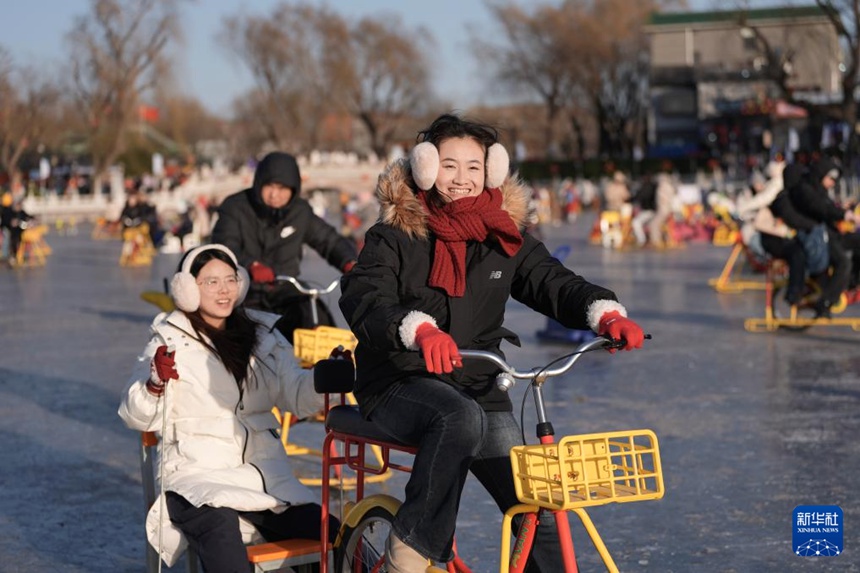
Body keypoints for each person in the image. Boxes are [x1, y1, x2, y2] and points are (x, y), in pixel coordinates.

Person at [338, 113, 645, 573]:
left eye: (474, 167)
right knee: (456, 416)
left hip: (480, 382)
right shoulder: (394, 236)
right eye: (449, 165)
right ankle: (408, 554)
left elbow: (553, 282)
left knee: (535, 505)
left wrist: (604, 313)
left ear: (491, 171)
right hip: (400, 378)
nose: (461, 178)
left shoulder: (503, 234)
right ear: (425, 167)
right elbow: (364, 297)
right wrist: (418, 331)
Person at [118, 244, 338, 573]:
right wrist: (155, 384)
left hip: (264, 480)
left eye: (230, 279)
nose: (224, 290)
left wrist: (324, 379)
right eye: (211, 282)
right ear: (188, 289)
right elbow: (134, 413)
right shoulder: (169, 341)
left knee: (335, 535)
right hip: (195, 480)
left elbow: (294, 392)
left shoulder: (264, 337)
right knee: (222, 534)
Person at [211, 152, 358, 343]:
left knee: (314, 315)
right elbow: (224, 245)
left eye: (282, 188)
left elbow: (328, 240)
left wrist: (349, 262)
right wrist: (250, 265)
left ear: (293, 189)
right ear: (259, 184)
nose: (275, 194)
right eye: (269, 186)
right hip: (245, 291)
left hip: (285, 290)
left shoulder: (300, 212)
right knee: (245, 336)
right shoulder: (235, 207)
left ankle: (330, 358)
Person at [787, 157, 860, 316]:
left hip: (831, 233)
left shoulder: (820, 190)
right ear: (821, 174)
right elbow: (821, 208)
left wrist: (842, 209)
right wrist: (844, 214)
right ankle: (826, 302)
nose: (833, 183)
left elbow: (828, 207)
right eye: (831, 179)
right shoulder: (805, 189)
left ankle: (851, 284)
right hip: (818, 237)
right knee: (843, 263)